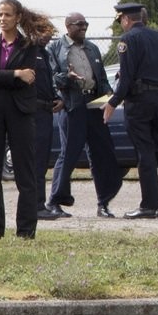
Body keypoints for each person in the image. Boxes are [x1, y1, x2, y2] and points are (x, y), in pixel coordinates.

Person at [0, 0, 55, 238]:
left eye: (7, 15)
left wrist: (16, 75)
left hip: (20, 110)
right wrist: (15, 74)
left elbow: (29, 77)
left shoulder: (28, 45)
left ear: (18, 17)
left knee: (25, 171)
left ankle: (25, 229)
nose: (2, 19)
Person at [103, 1, 158, 218]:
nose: (121, 25)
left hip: (139, 101)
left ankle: (148, 205)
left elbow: (127, 76)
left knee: (145, 151)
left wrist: (113, 102)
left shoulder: (128, 39)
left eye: (121, 20)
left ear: (126, 19)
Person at [40, 12, 125, 219]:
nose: (83, 28)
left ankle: (103, 203)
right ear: (68, 26)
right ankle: (55, 202)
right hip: (72, 105)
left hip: (94, 105)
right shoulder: (55, 49)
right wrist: (67, 78)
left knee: (101, 153)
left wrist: (109, 98)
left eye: (86, 24)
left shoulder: (92, 48)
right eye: (79, 24)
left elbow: (101, 78)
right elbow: (52, 79)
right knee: (68, 153)